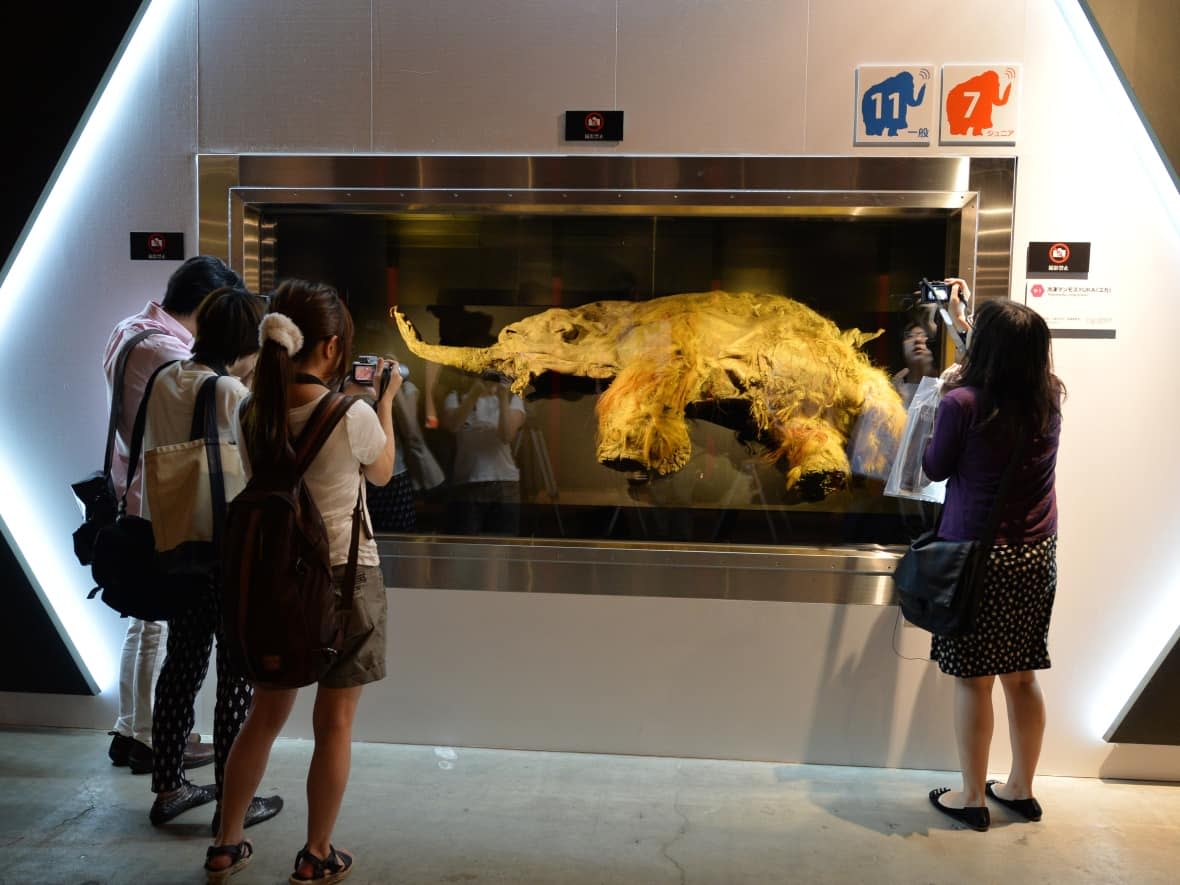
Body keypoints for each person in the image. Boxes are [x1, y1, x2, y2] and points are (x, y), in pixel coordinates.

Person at [205, 279, 399, 883]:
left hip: (273, 581)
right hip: (345, 583)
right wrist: (385, 400)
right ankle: (317, 854)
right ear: (335, 347)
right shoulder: (353, 412)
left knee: (264, 716)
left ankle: (226, 843)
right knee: (334, 725)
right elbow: (385, 473)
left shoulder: (249, 408)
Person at [921, 279, 1064, 832]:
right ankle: (1021, 790)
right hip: (1035, 554)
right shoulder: (1050, 394)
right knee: (1022, 678)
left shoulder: (960, 403)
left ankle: (971, 798)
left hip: (975, 558)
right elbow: (998, 368)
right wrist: (961, 322)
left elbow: (934, 468)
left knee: (972, 680)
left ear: (984, 350)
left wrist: (938, 401)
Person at [140, 286, 284, 832]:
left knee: (182, 661)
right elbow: (259, 461)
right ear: (246, 341)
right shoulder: (227, 391)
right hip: (228, 548)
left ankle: (169, 784)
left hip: (176, 541)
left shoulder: (164, 380)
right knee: (235, 674)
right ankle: (233, 796)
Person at [103, 256, 240, 774]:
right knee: (158, 624)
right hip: (161, 498)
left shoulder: (128, 330)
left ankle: (130, 729)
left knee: (144, 622)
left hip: (132, 486)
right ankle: (152, 738)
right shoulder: (170, 351)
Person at [442, 372, 526, 535]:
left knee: (503, 549)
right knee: (467, 550)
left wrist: (502, 397)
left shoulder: (512, 398)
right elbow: (453, 425)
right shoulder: (457, 396)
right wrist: (474, 394)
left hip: (505, 483)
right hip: (468, 483)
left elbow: (506, 435)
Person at [892, 317, 938, 407]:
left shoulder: (942, 388)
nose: (918, 340)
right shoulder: (895, 389)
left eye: (923, 336)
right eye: (910, 336)